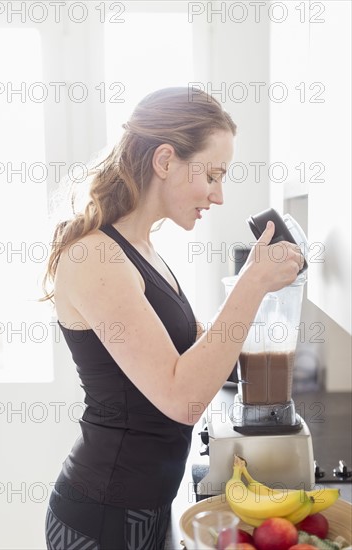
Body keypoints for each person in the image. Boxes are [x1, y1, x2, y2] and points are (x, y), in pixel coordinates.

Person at [41, 87, 304, 550]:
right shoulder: (95, 256)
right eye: (214, 175)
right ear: (166, 160)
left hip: (144, 504)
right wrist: (250, 283)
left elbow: (200, 361)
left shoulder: (144, 251)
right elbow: (182, 399)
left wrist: (262, 291)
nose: (218, 196)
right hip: (103, 515)